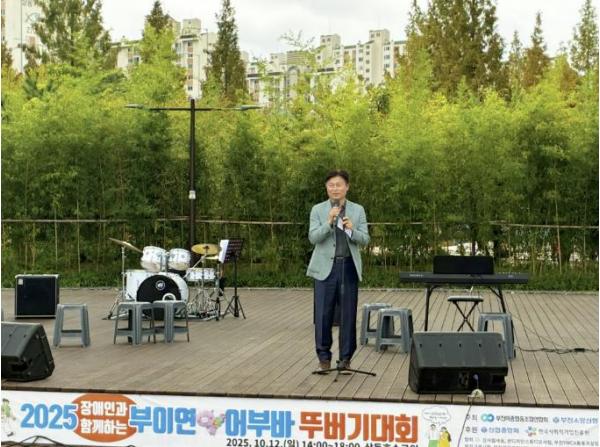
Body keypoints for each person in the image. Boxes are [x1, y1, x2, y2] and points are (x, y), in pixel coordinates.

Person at [307, 170, 370, 371]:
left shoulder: (358, 210)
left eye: (339, 185)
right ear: (326, 188)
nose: (335, 188)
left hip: (348, 266)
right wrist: (329, 222)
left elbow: (365, 239)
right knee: (323, 315)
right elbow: (313, 238)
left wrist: (351, 230)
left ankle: (345, 358)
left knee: (348, 315)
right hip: (325, 268)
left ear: (347, 187)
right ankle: (324, 357)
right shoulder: (318, 210)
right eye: (331, 185)